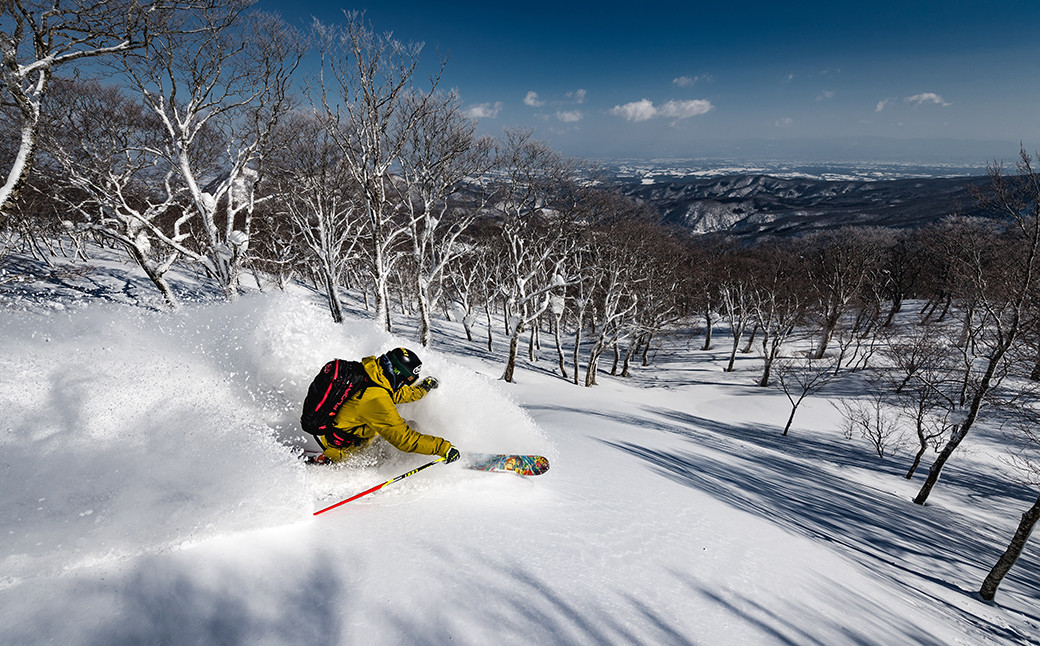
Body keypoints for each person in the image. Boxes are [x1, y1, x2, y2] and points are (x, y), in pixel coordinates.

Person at [313, 347, 461, 465]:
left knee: (408, 425)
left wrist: (423, 389)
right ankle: (332, 458)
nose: (404, 385)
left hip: (340, 434)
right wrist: (443, 448)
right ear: (398, 374)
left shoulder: (372, 375)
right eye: (405, 381)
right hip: (347, 451)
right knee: (407, 431)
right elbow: (404, 440)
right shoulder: (375, 400)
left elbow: (397, 394)